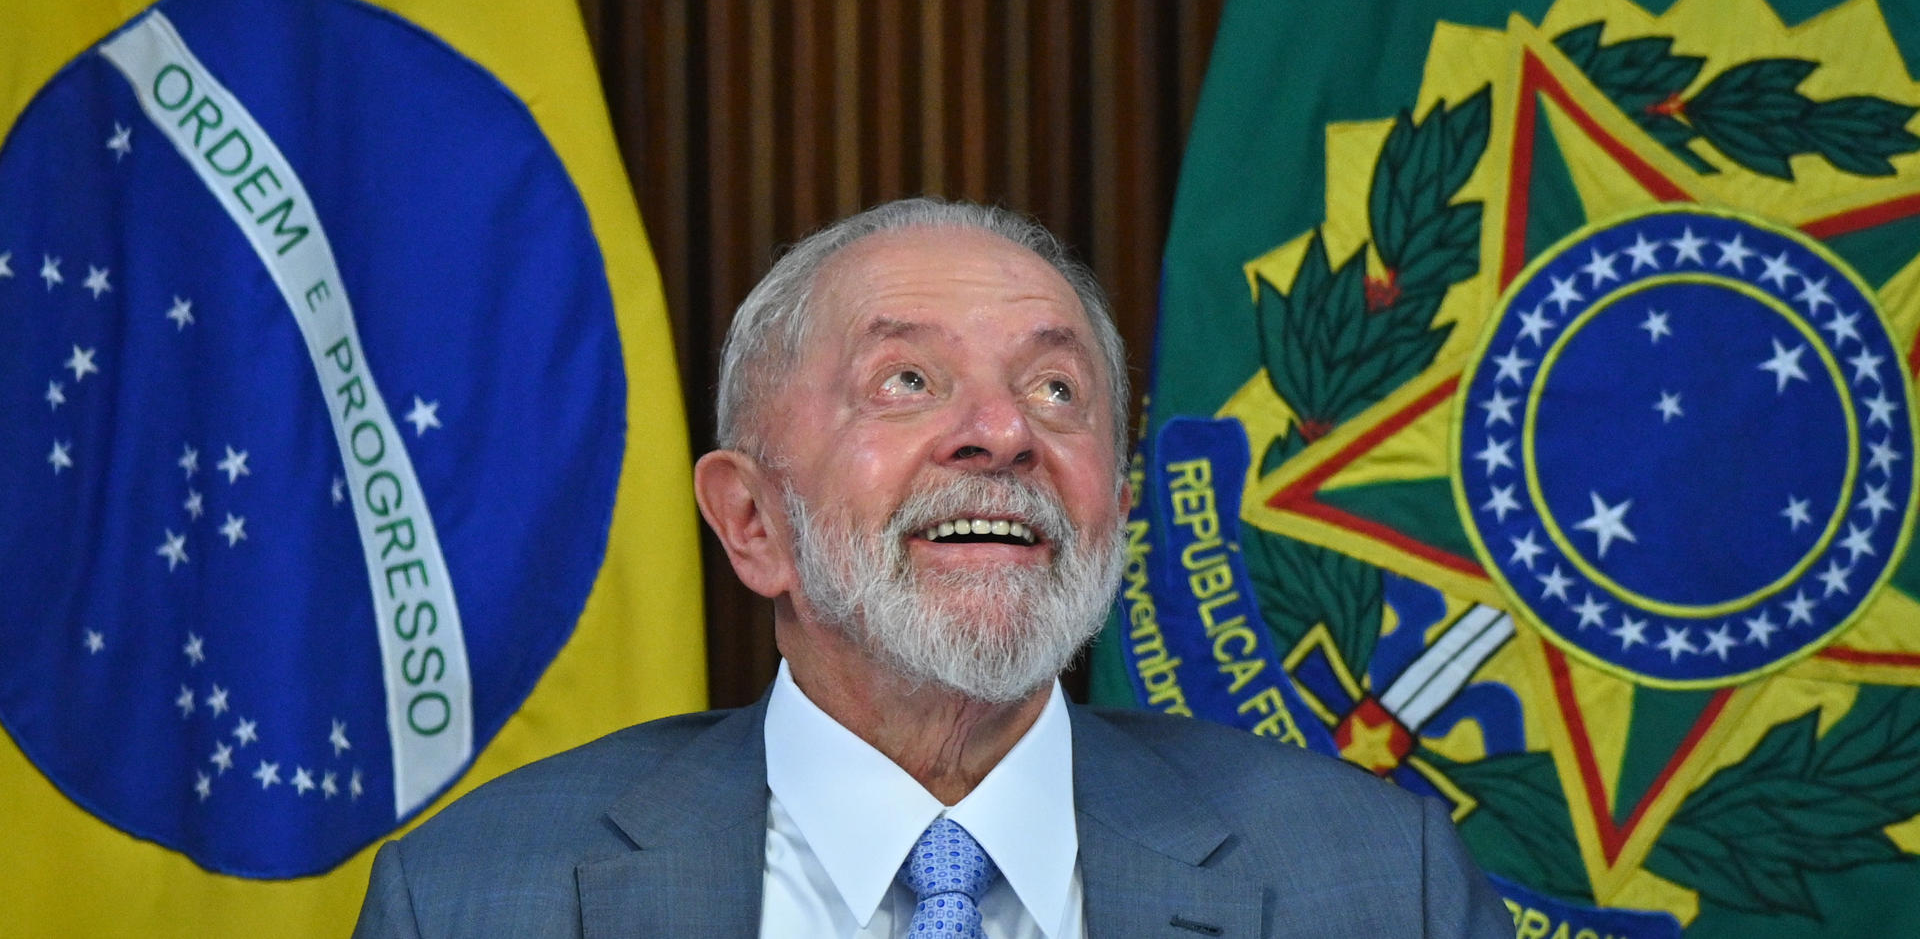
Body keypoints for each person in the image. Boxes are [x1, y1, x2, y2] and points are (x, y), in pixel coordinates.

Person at [353, 198, 1512, 937]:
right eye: (906, 381)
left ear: (1118, 505)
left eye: (1058, 389)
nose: (1003, 433)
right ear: (752, 520)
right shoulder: (476, 897)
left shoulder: (1376, 886)